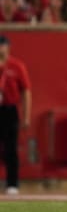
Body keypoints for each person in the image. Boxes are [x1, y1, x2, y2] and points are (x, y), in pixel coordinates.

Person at [0, 35, 32, 195]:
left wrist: (26, 116)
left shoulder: (17, 66)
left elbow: (26, 91)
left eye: (2, 46)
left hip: (10, 110)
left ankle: (12, 184)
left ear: (8, 48)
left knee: (11, 148)